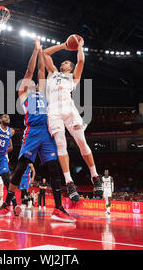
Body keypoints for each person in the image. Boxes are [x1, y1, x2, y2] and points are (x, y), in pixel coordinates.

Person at [0, 38, 75, 222]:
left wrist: (41, 52)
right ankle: (7, 205)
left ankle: (59, 209)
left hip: (46, 133)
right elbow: (31, 71)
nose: (35, 83)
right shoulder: (23, 94)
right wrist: (35, 50)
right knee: (21, 167)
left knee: (55, 169)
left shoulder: (45, 94)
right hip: (32, 132)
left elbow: (39, 70)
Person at [42, 38, 102, 200]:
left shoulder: (73, 77)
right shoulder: (53, 73)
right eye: (63, 62)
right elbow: (45, 53)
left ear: (71, 68)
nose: (64, 63)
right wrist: (64, 46)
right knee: (61, 146)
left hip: (70, 111)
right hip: (53, 112)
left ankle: (95, 176)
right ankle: (69, 182)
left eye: (67, 62)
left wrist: (80, 46)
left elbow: (81, 60)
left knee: (82, 142)